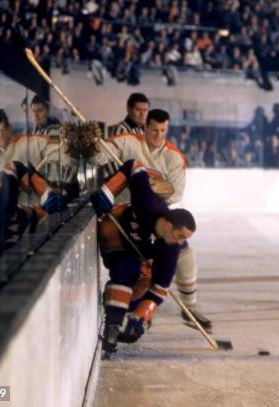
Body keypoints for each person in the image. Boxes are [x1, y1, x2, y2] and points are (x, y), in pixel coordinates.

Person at [87, 108, 213, 331]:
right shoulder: (128, 142)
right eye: (154, 130)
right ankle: (118, 311)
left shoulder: (173, 157)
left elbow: (176, 194)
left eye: (163, 130)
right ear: (146, 127)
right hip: (117, 215)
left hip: (152, 217)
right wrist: (93, 145)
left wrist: (150, 187)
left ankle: (187, 307)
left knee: (181, 254)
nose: (159, 135)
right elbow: (99, 157)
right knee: (127, 269)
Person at [91, 160, 197, 355]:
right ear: (167, 225)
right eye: (180, 235)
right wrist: (108, 191)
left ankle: (120, 312)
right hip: (115, 228)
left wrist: (141, 316)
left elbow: (158, 290)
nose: (181, 242)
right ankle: (112, 327)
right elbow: (133, 166)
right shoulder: (148, 202)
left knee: (142, 284)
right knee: (127, 271)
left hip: (135, 249)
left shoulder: (170, 249)